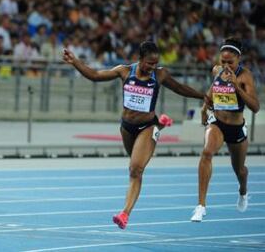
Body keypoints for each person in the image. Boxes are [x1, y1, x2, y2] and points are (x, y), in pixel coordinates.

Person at [63, 41, 207, 230]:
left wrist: (202, 96)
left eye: (155, 63)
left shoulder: (160, 74)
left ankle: (124, 213)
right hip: (127, 127)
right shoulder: (124, 71)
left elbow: (179, 88)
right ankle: (161, 124)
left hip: (145, 126)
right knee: (134, 167)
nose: (152, 67)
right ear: (140, 59)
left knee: (136, 169)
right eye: (149, 63)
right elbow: (96, 75)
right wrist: (76, 62)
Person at [191, 37, 260, 222]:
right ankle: (200, 206)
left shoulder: (245, 76)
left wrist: (237, 86)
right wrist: (205, 108)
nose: (226, 66)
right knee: (206, 153)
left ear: (239, 59)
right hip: (218, 123)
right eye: (223, 61)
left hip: (237, 128)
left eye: (231, 62)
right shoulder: (217, 70)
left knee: (240, 171)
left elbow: (255, 107)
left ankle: (243, 191)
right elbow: (214, 88)